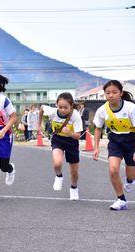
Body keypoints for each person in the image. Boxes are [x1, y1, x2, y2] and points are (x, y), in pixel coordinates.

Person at [93, 80, 135, 210]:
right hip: (115, 140)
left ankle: (130, 180)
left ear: (121, 93)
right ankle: (121, 199)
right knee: (113, 169)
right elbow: (98, 128)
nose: (111, 95)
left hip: (131, 140)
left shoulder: (130, 108)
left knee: (131, 174)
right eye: (108, 93)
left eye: (114, 92)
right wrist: (96, 148)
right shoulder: (102, 110)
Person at [38, 93, 83, 200]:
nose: (62, 110)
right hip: (58, 139)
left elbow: (78, 136)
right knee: (57, 163)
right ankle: (59, 176)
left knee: (74, 172)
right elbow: (42, 108)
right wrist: (39, 124)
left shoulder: (75, 115)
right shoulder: (53, 112)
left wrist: (70, 133)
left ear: (71, 106)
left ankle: (74, 188)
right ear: (56, 105)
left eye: (65, 107)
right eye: (60, 107)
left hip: (72, 142)